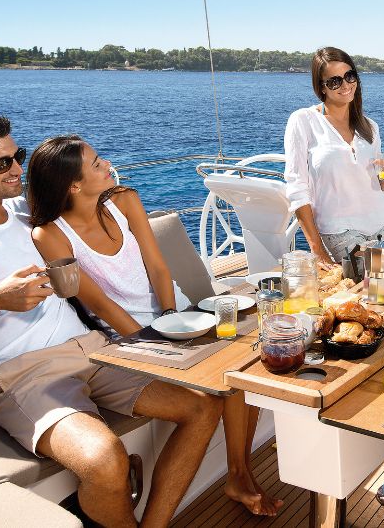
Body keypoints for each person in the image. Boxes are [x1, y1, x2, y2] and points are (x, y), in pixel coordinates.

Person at [0, 111, 223, 528]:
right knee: (104, 458)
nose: (17, 170)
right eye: (0, 164)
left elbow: (87, 197)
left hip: (94, 351)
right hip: (22, 373)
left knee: (203, 405)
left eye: (17, 157)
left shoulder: (26, 212)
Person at [26, 135, 280, 516]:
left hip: (177, 315)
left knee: (243, 367)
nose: (107, 164)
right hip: (128, 336)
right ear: (73, 186)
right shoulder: (51, 234)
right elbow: (98, 303)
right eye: (96, 163)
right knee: (223, 378)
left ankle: (240, 473)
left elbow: (158, 268)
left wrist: (170, 317)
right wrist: (150, 342)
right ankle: (240, 477)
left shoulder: (124, 200)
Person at [283, 46, 384, 266]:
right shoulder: (304, 121)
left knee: (383, 287)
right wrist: (317, 249)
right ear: (322, 87)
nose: (345, 85)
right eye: (335, 81)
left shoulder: (370, 127)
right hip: (338, 230)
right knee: (360, 284)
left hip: (381, 225)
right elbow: (297, 188)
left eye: (349, 76)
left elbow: (378, 186)